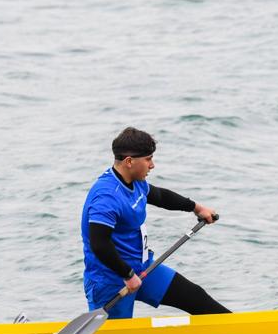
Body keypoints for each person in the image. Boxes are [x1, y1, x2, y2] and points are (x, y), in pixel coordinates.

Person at [81, 127, 231, 320]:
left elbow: (160, 196)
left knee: (195, 296)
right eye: (148, 159)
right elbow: (99, 244)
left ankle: (243, 331)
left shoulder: (135, 182)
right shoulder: (106, 197)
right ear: (129, 162)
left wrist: (196, 207)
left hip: (144, 269)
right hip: (111, 280)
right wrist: (127, 275)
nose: (152, 165)